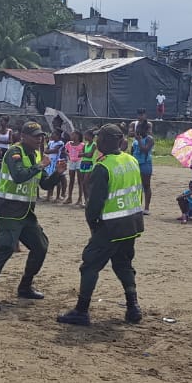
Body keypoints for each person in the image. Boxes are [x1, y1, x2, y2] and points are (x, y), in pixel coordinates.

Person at [57, 124, 145, 326]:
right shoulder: (131, 160)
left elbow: (94, 204)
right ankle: (133, 307)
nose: (96, 143)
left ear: (106, 142)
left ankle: (81, 310)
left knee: (89, 265)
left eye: (99, 139)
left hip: (110, 225)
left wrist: (93, 225)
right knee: (124, 265)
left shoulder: (103, 166)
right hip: (131, 223)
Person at [0, 121, 62, 311]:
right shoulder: (14, 153)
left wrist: (57, 173)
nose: (40, 139)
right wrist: (40, 165)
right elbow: (19, 175)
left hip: (26, 212)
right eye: (36, 136)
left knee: (40, 246)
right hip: (8, 209)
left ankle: (25, 286)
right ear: (23, 137)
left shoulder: (38, 154)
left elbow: (45, 185)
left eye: (41, 136)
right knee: (5, 248)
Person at [131, 121, 155, 215]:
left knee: (146, 185)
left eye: (139, 129)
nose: (137, 131)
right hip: (136, 164)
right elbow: (133, 151)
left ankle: (147, 207)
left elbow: (145, 150)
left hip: (145, 164)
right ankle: (137, 206)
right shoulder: (135, 140)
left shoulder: (149, 139)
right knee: (137, 186)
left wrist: (140, 140)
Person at [44, 132, 66, 202]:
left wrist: (48, 151)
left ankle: (57, 196)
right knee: (50, 178)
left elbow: (55, 150)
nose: (52, 135)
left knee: (57, 179)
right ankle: (48, 196)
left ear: (58, 135)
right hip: (50, 162)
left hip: (56, 162)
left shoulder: (60, 143)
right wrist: (48, 151)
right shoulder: (50, 142)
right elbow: (46, 151)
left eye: (54, 134)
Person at [64, 132, 85, 206]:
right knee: (71, 180)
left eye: (73, 135)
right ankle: (69, 197)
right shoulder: (68, 144)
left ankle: (80, 198)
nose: (71, 136)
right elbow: (65, 151)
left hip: (79, 161)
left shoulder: (82, 144)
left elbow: (84, 153)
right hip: (72, 162)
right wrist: (68, 155)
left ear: (78, 136)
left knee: (80, 181)